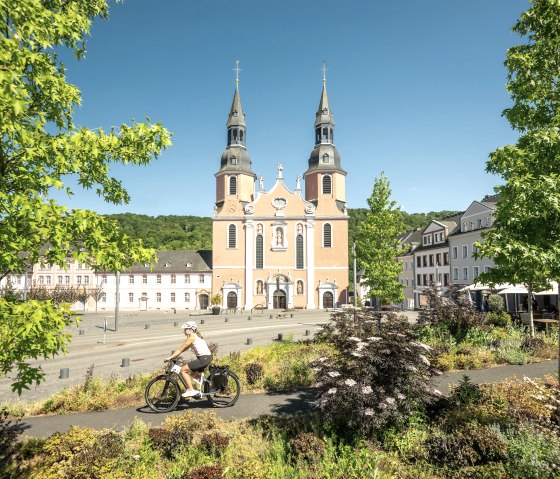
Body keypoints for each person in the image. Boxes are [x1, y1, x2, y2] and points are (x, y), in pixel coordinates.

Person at [166, 321, 212, 398]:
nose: (184, 331)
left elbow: (180, 349)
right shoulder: (195, 336)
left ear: (190, 330)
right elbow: (184, 349)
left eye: (185, 329)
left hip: (203, 359)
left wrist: (170, 358)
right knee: (192, 375)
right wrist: (175, 356)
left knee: (183, 370)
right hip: (206, 358)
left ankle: (191, 390)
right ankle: (206, 386)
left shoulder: (192, 337)